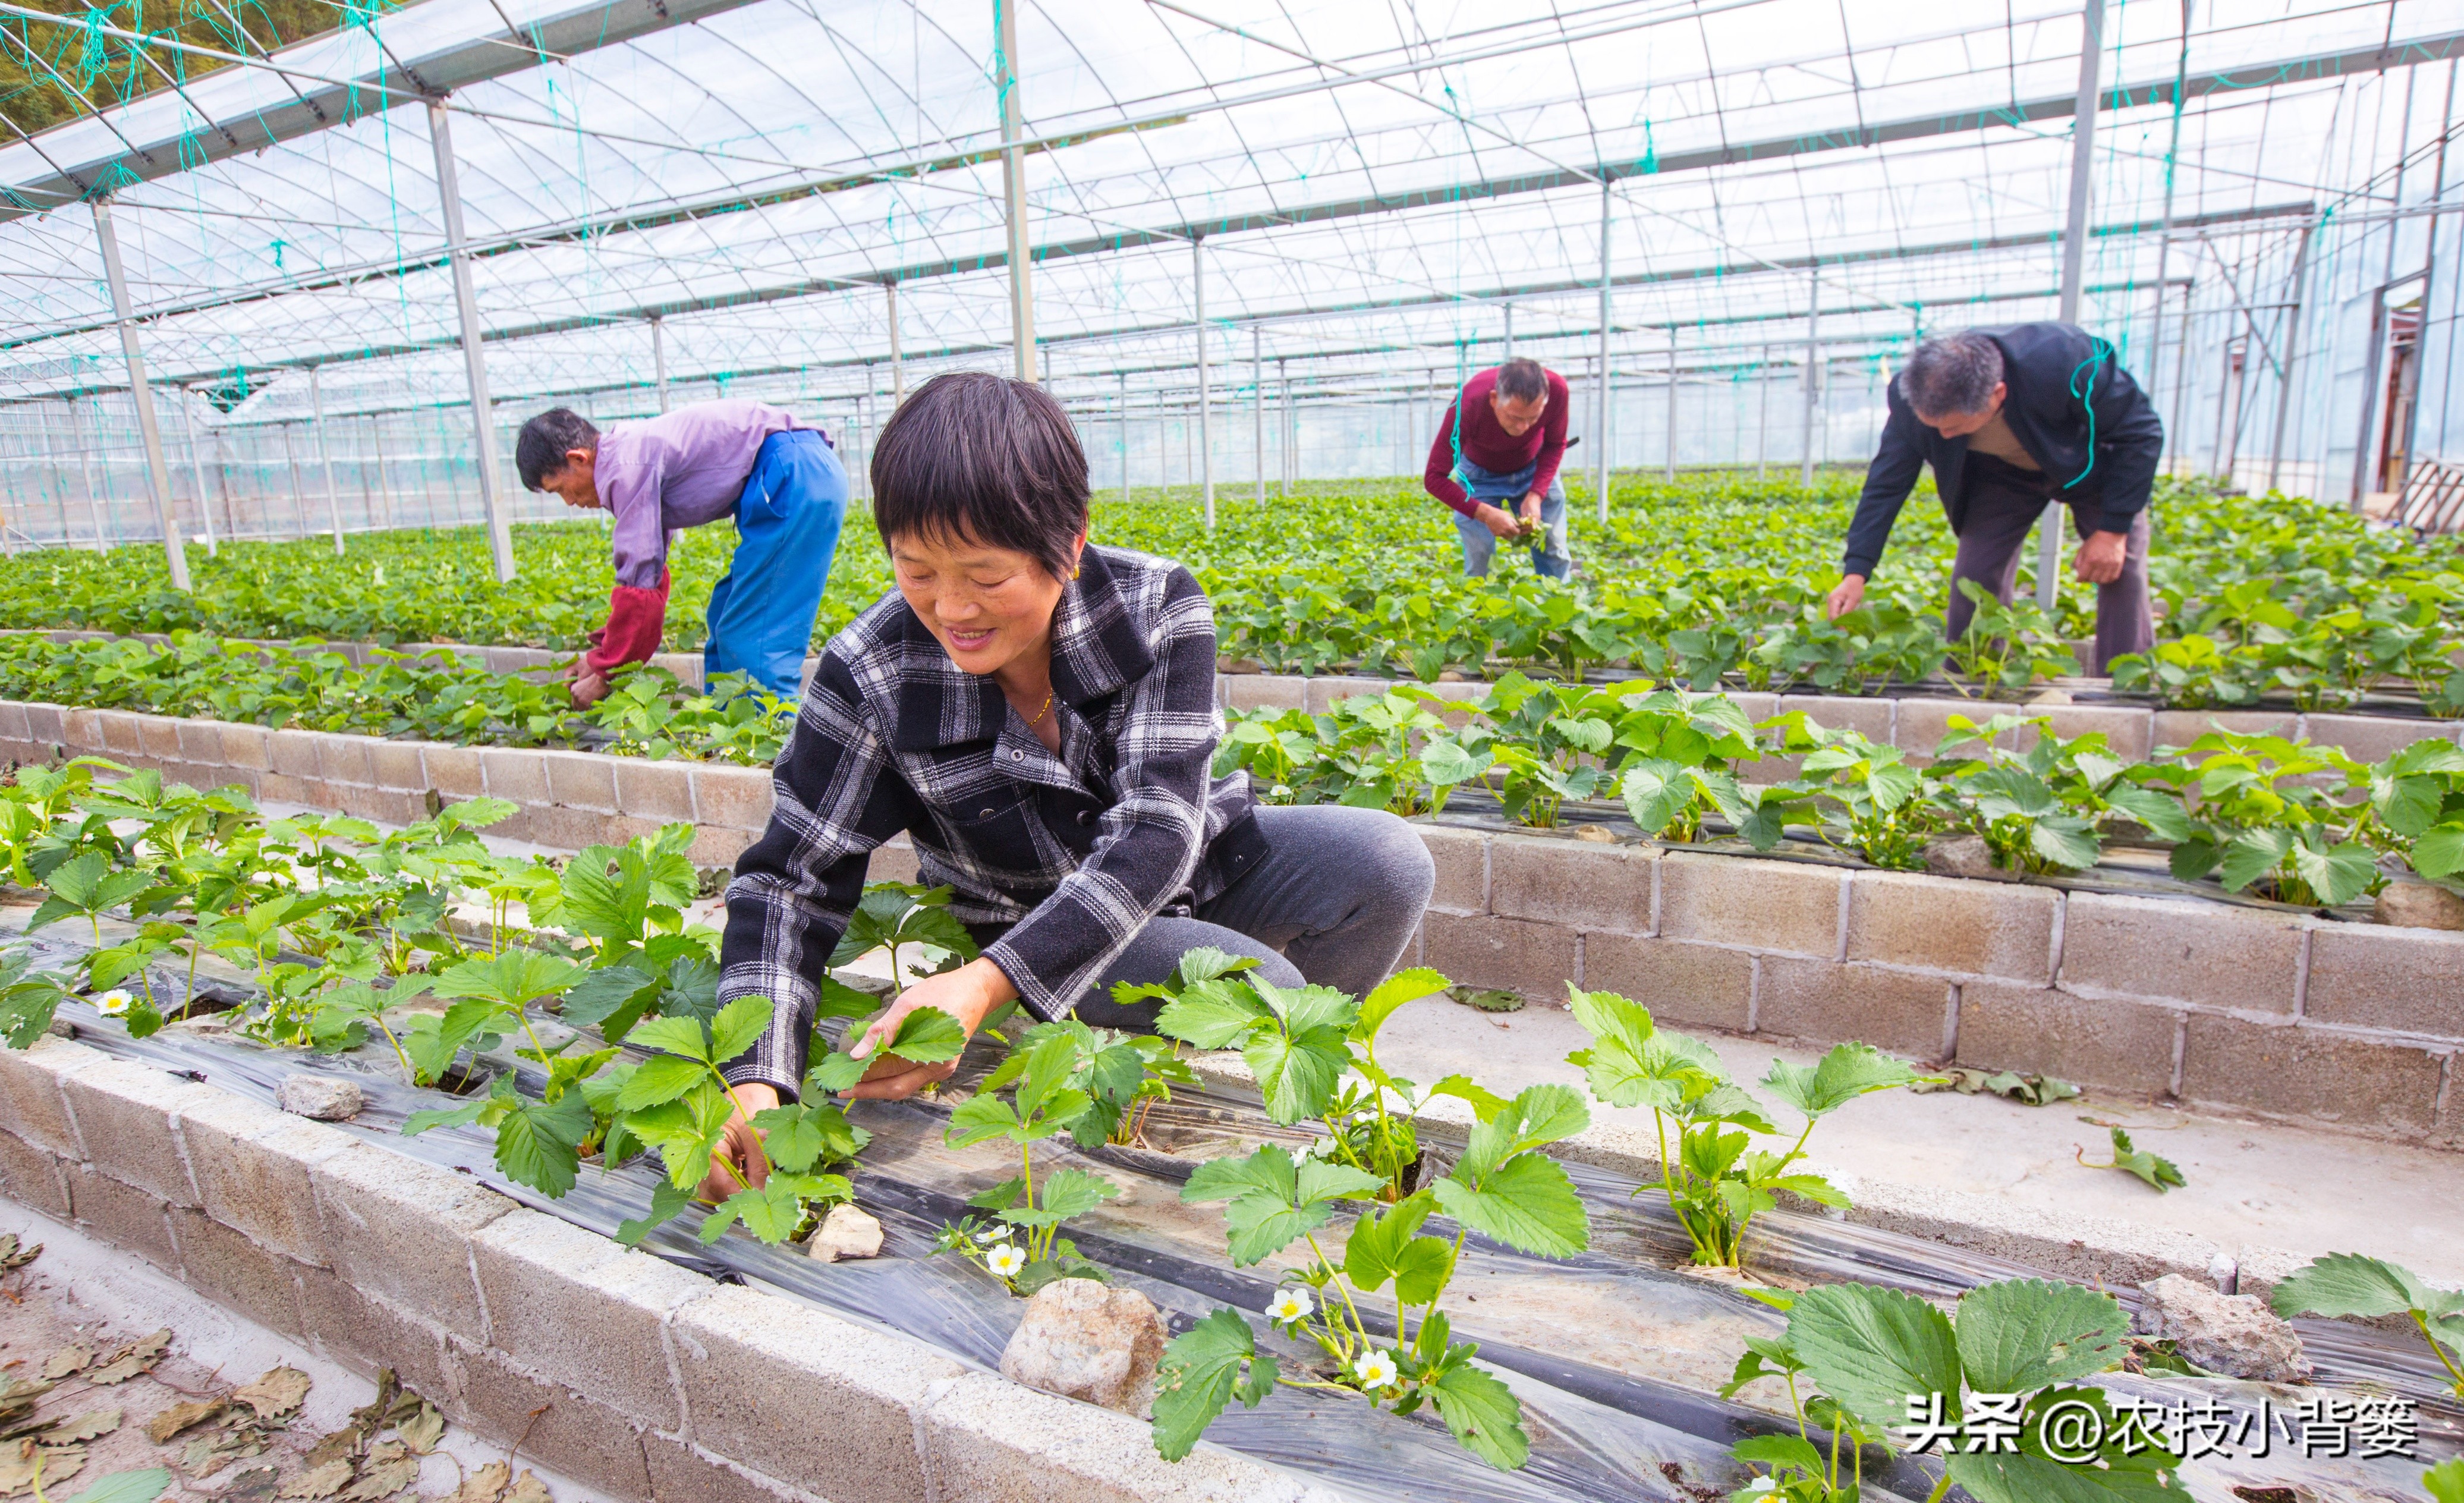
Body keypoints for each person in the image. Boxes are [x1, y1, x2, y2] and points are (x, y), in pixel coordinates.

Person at [700, 371, 1436, 1186]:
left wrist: (983, 988)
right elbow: (789, 882)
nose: (951, 609)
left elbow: (1160, 827)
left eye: (985, 577)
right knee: (1264, 989)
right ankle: (1142, 1081)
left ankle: (1266, 1104)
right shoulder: (872, 671)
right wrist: (757, 1072)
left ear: (1071, 544)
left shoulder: (1157, 605)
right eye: (917, 572)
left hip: (1181, 870)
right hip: (1023, 916)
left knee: (1386, 862)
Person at [1826, 324, 2164, 674]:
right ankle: (1974, 674)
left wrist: (2113, 531)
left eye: (1953, 428)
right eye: (1934, 427)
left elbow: (2141, 433)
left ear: (1998, 394)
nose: (1942, 436)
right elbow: (1886, 484)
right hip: (2001, 476)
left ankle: (2126, 682)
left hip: (2093, 465)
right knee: (1975, 574)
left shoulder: (2066, 363)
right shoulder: (1910, 397)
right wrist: (1857, 571)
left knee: (2120, 567)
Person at [514, 400, 849, 705]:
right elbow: (648, 572)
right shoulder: (628, 454)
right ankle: (728, 735)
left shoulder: (625, 467)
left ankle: (772, 750)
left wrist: (606, 674)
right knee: (725, 614)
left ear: (578, 459)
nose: (569, 502)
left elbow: (640, 585)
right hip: (797, 469)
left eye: (561, 490)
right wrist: (601, 655)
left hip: (792, 471)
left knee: (753, 637)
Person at [1423, 357, 1575, 580]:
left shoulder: (1558, 390)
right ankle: (1483, 610)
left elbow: (1554, 444)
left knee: (1553, 546)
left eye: (1533, 418)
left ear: (1545, 403)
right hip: (1478, 473)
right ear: (1495, 400)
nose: (1523, 427)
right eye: (1514, 417)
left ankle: (1559, 604)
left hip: (1533, 465)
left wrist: (1536, 495)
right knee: (1479, 556)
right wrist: (1484, 513)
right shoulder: (1468, 405)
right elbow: (1435, 477)